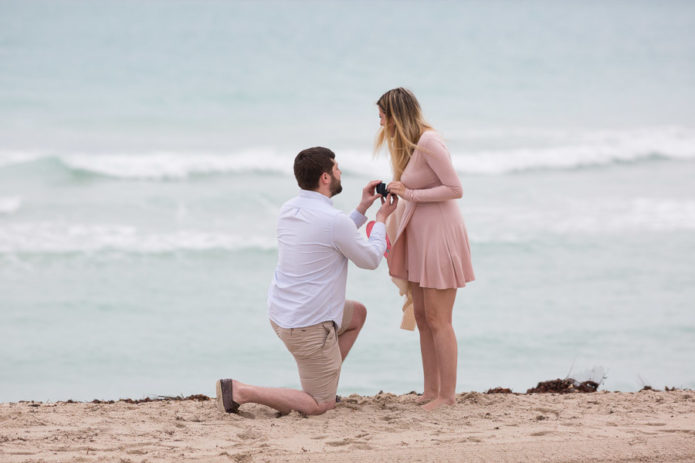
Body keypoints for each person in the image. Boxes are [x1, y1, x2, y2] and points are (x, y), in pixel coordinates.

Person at [216, 146, 398, 416]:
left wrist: (361, 208)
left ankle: (325, 377)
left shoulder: (289, 209)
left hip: (282, 313)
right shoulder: (333, 221)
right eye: (336, 168)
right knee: (320, 405)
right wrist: (381, 219)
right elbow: (370, 260)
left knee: (357, 314)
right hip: (308, 326)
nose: (340, 172)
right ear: (325, 178)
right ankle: (240, 390)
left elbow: (331, 233)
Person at [375, 87, 475, 411]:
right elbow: (414, 186)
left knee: (438, 317)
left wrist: (412, 194)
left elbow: (455, 188)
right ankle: (431, 390)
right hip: (418, 236)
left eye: (382, 116)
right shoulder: (407, 146)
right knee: (421, 315)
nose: (379, 123)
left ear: (396, 116)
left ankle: (448, 396)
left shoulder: (430, 142)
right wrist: (397, 192)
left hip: (440, 235)